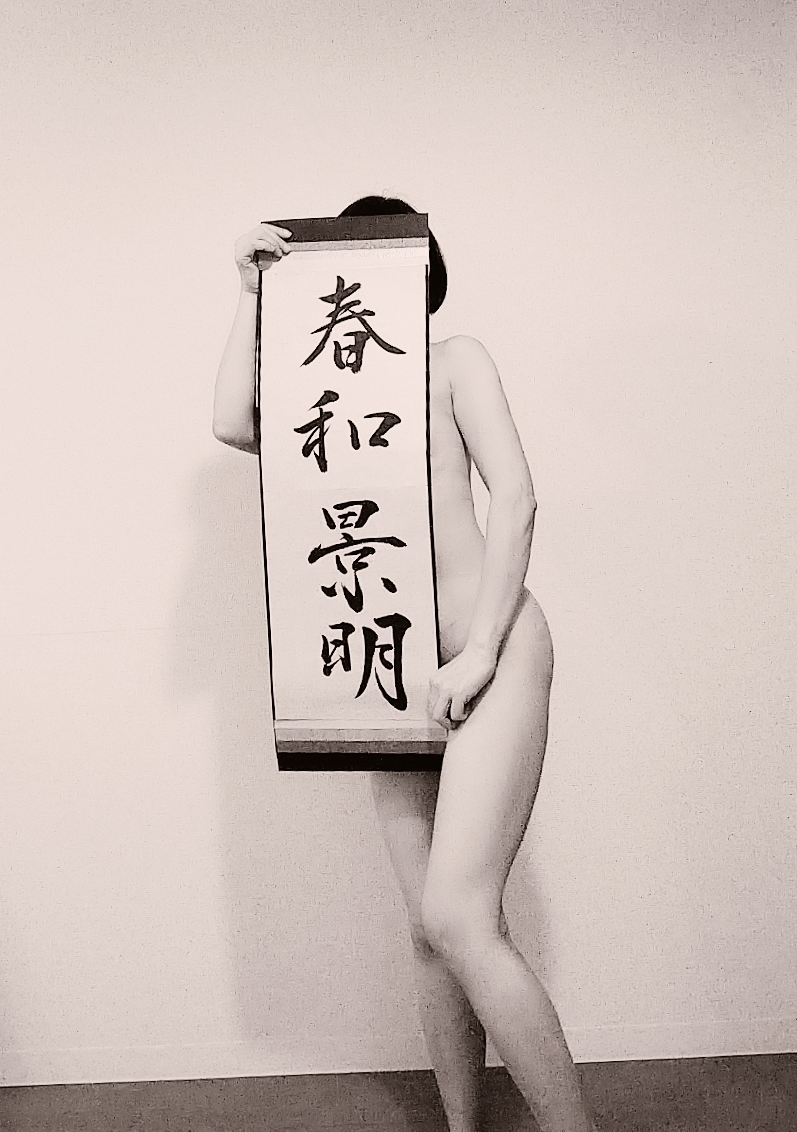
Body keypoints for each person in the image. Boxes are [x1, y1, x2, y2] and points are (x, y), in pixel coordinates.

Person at [213, 197, 599, 1132]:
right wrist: (249, 293)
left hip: (490, 650)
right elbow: (231, 423)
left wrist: (480, 652)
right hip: (388, 673)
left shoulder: (453, 360)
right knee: (429, 931)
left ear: (419, 276)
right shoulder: (317, 395)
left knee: (460, 915)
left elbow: (517, 499)